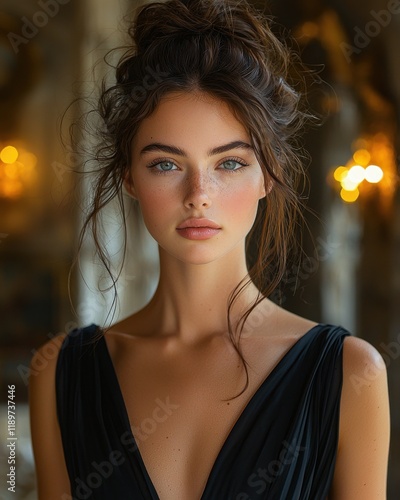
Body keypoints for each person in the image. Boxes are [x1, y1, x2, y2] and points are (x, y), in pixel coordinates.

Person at [29, 0, 390, 498]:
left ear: (269, 174)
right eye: (165, 164)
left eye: (229, 163)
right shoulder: (59, 374)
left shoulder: (351, 373)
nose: (198, 193)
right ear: (129, 177)